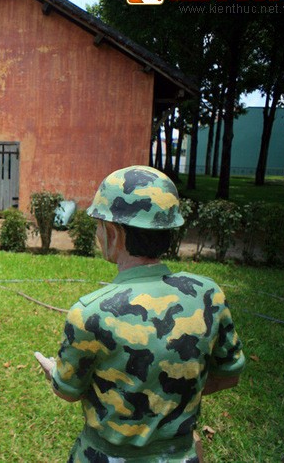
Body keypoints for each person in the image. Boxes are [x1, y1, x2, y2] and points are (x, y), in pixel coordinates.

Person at [35, 165, 246, 463]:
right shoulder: (209, 295)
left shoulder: (90, 313)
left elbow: (69, 390)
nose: (98, 234)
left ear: (113, 232)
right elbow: (229, 376)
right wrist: (168, 400)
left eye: (99, 226)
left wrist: (52, 371)